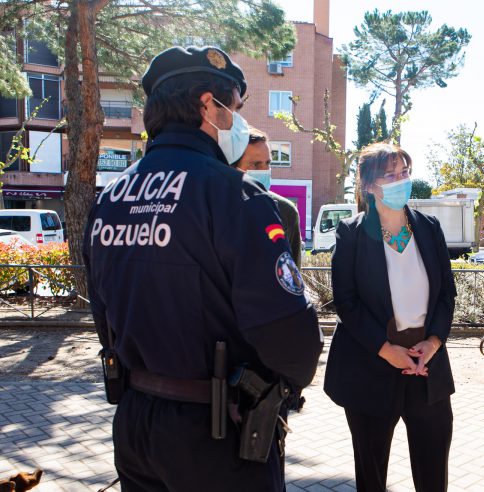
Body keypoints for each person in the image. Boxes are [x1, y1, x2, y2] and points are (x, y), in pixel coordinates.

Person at [82, 46, 323, 491]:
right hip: (218, 433)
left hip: (136, 424)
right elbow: (293, 339)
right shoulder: (235, 197)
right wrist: (277, 392)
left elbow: (103, 317)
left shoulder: (108, 199)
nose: (238, 121)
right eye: (234, 108)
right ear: (208, 105)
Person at [324, 143, 457, 492]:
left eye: (405, 173)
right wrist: (386, 349)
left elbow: (446, 295)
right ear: (369, 185)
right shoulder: (350, 233)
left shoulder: (429, 228)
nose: (401, 181)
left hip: (427, 367)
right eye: (390, 175)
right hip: (371, 366)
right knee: (372, 478)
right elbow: (346, 303)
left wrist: (433, 342)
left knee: (433, 476)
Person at [234, 127, 303, 267]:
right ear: (234, 167)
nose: (264, 171)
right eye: (255, 164)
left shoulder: (286, 211)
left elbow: (293, 275)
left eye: (268, 163)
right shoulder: (217, 206)